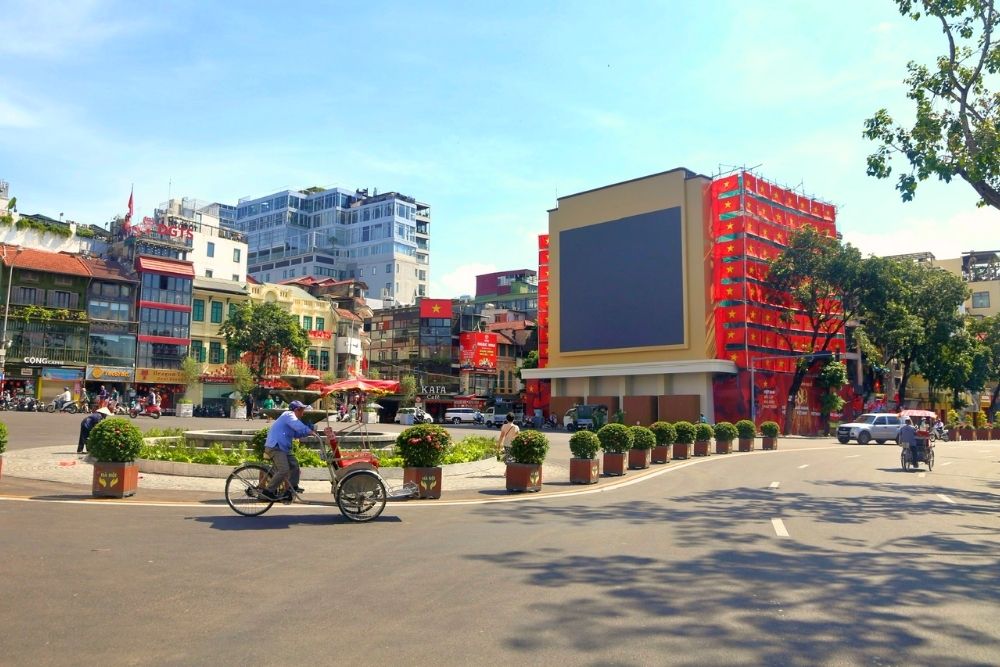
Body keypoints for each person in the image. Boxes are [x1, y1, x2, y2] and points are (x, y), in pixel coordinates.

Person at [260, 400, 319, 501]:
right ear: (296, 410)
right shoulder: (288, 415)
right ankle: (268, 491)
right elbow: (298, 426)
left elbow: (296, 434)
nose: (303, 413)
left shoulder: (291, 419)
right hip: (276, 447)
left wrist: (308, 432)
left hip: (283, 448)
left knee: (295, 466)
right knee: (284, 470)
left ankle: (291, 489)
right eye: (302, 411)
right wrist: (308, 430)